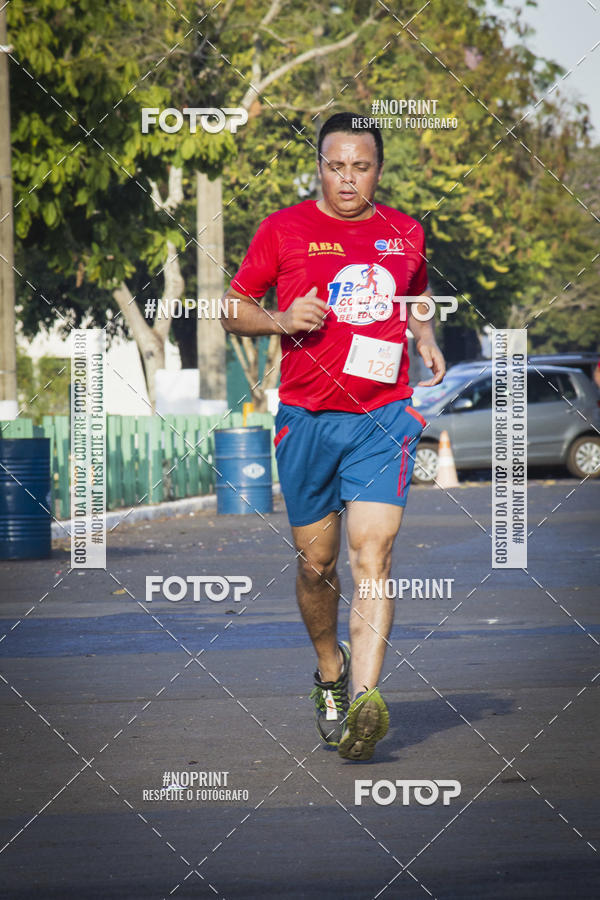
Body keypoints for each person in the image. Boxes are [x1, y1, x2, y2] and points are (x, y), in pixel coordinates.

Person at [221, 112, 446, 761]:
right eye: (336, 164)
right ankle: (330, 671)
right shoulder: (283, 229)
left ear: (378, 169)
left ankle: (366, 703)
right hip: (307, 421)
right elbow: (233, 307)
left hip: (383, 418)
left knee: (371, 556)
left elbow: (419, 291)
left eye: (362, 165)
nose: (348, 178)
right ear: (318, 166)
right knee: (317, 565)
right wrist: (281, 317)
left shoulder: (404, 231)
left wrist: (423, 335)